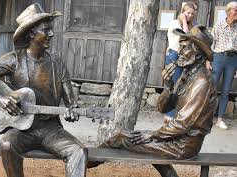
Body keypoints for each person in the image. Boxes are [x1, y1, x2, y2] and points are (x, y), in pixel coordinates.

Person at [0, 3, 87, 177]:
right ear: (30, 33)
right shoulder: (14, 59)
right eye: (46, 30)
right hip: (22, 130)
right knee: (7, 145)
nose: (51, 34)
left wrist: (73, 110)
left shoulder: (57, 62)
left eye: (51, 29)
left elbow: (71, 102)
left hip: (51, 129)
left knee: (78, 152)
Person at [97, 26, 217, 177]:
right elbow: (162, 108)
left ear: (198, 56)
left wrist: (153, 134)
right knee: (141, 143)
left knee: (123, 138)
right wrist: (167, 86)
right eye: (180, 46)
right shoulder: (187, 74)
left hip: (184, 145)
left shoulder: (202, 82)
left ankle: (84, 161)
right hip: (176, 138)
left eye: (184, 48)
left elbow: (182, 124)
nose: (179, 52)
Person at [163, 2, 197, 123]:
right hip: (174, 55)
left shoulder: (190, 25)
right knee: (173, 85)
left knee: (180, 86)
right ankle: (169, 114)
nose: (190, 16)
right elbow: (186, 37)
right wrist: (183, 20)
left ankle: (172, 112)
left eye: (192, 14)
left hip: (184, 57)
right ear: (182, 12)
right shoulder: (175, 23)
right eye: (188, 13)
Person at [206, 1, 237, 130]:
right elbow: (210, 44)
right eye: (236, 9)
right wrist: (207, 60)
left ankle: (220, 119)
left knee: (225, 91)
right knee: (211, 89)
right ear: (228, 11)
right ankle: (206, 118)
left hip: (233, 60)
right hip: (218, 58)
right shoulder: (218, 25)